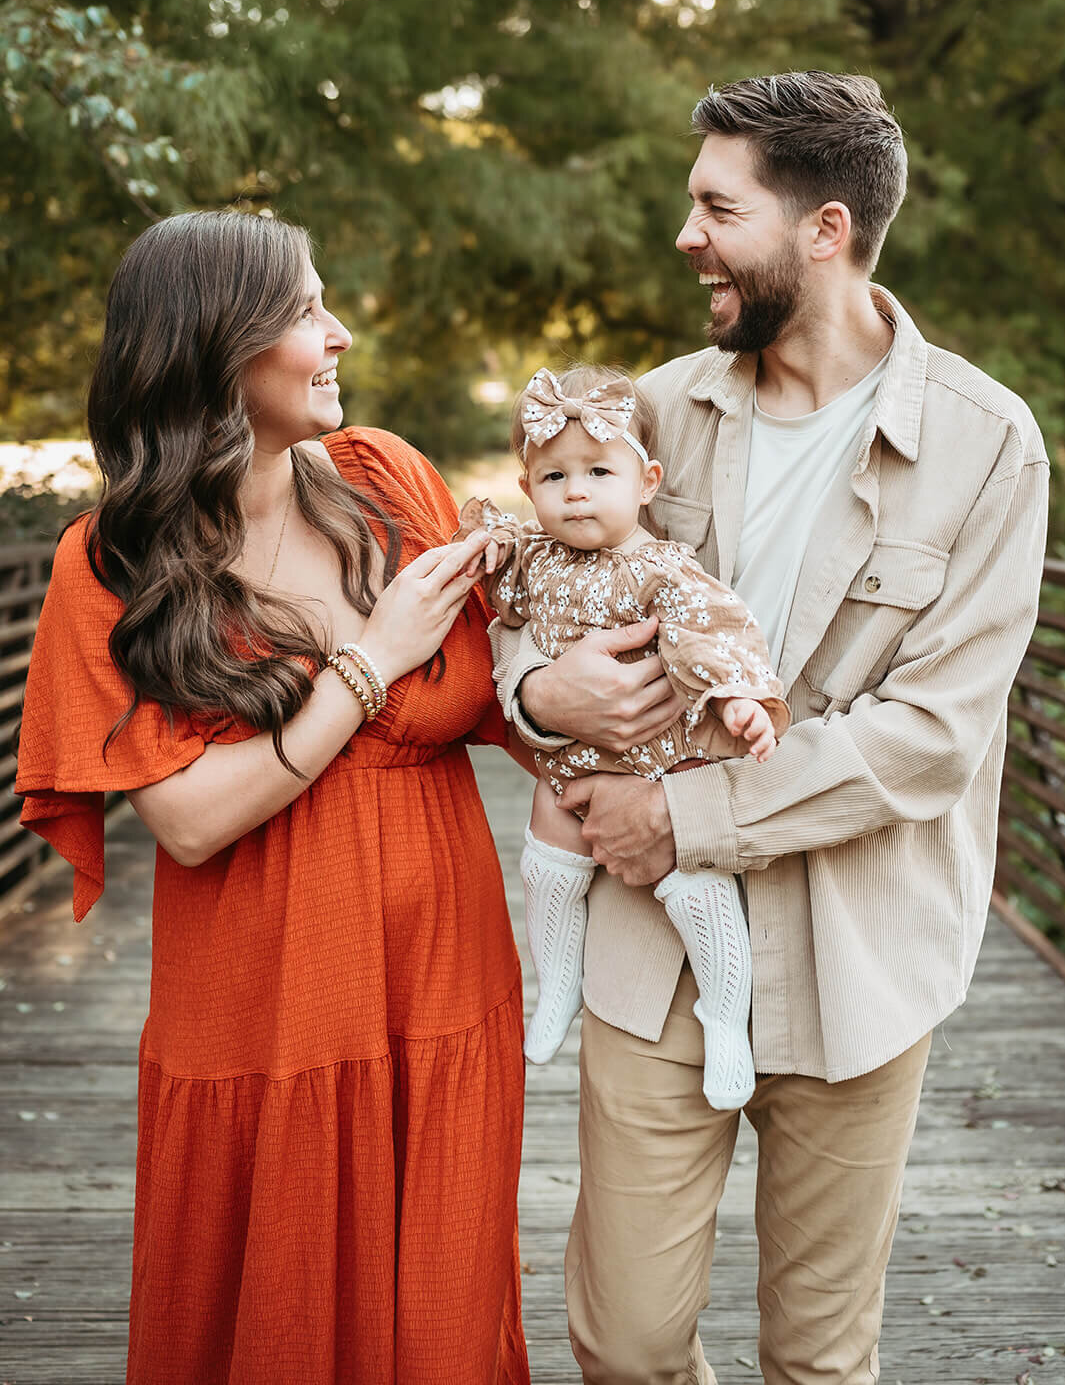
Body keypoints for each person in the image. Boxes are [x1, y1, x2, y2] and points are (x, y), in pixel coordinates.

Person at [493, 71, 1050, 1385]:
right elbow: (540, 589)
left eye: (714, 208)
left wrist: (682, 813)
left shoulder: (987, 444)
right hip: (650, 953)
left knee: (817, 1358)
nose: (686, 238)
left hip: (861, 953)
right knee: (623, 1344)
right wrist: (532, 699)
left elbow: (930, 735)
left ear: (824, 229)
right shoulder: (655, 413)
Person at [15, 210, 530, 1385]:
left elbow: (503, 693)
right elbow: (189, 821)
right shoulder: (112, 560)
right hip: (266, 1005)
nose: (338, 331)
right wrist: (371, 660)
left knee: (442, 1310)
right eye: (306, 310)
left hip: (443, 983)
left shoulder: (388, 478)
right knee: (274, 1313)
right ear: (217, 346)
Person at [455, 363, 788, 1108]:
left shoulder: (662, 568)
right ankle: (556, 987)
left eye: (597, 471)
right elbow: (499, 605)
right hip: (568, 764)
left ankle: (724, 1018)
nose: (574, 491)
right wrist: (489, 551)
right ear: (528, 485)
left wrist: (737, 697)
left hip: (658, 769)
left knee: (695, 888)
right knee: (545, 863)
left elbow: (715, 633)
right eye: (552, 477)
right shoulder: (535, 561)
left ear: (646, 481)